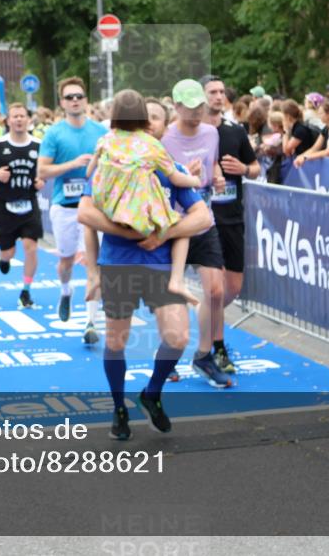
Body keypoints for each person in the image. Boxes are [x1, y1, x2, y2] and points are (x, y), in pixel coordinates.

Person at [78, 125, 213, 439]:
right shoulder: (108, 168)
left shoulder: (171, 169)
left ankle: (151, 393)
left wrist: (162, 233)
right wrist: (95, 271)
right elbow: (85, 215)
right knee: (116, 341)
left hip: (160, 266)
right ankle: (118, 408)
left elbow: (202, 217)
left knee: (178, 337)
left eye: (151, 126)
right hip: (118, 264)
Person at [86, 89, 201, 307]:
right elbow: (176, 178)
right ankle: (177, 280)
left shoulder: (106, 139)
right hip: (139, 212)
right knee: (180, 224)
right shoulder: (151, 145)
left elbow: (90, 168)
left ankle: (93, 274)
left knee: (89, 223)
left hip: (110, 208)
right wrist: (195, 180)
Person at [160, 81, 234, 387]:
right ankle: (168, 351)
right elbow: (161, 182)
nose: (195, 112)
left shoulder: (211, 132)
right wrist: (183, 177)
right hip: (176, 224)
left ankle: (204, 354)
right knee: (169, 296)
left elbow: (212, 164)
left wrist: (215, 177)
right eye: (189, 107)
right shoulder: (165, 139)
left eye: (199, 106)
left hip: (205, 220)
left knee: (216, 291)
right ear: (176, 106)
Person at [37, 76, 108, 337]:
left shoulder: (101, 131)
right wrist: (73, 163)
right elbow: (42, 170)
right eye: (70, 97)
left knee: (93, 263)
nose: (75, 100)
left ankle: (91, 322)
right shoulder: (54, 133)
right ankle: (66, 290)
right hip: (65, 206)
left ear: (86, 100)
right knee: (66, 260)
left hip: (94, 207)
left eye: (79, 96)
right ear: (62, 103)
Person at [200, 75, 261, 372]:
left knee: (232, 288)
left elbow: (257, 168)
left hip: (233, 217)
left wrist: (244, 168)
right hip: (204, 222)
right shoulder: (193, 134)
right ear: (200, 96)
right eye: (212, 91)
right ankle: (218, 347)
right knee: (215, 288)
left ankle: (205, 318)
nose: (218, 96)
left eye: (222, 91)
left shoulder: (235, 131)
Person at [0, 103, 45, 309]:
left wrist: (42, 180)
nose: (18, 120)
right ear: (8, 121)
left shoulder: (38, 145)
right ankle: (3, 258)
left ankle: (26, 291)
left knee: (31, 247)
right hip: (5, 206)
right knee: (9, 252)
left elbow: (46, 170)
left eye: (22, 116)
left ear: (28, 120)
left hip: (29, 204)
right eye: (14, 116)